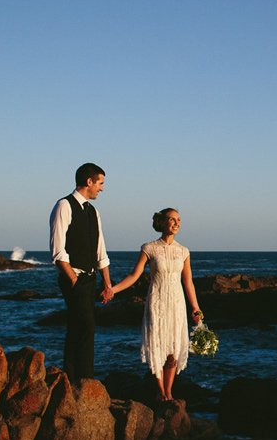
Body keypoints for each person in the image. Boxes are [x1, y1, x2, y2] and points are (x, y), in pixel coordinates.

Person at [111, 207, 202, 401]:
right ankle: (160, 392)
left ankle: (168, 392)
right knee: (158, 346)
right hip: (157, 303)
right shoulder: (149, 248)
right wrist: (113, 289)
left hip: (177, 304)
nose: (176, 223)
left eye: (179, 220)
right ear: (161, 222)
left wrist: (195, 307)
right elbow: (134, 276)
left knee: (174, 349)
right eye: (172, 219)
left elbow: (188, 282)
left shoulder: (183, 251)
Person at [49, 162, 114, 383]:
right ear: (89, 182)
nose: (102, 188)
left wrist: (107, 284)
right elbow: (58, 251)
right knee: (83, 326)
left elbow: (100, 251)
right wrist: (74, 280)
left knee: (83, 328)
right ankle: (82, 380)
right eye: (100, 183)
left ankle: (77, 380)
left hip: (91, 278)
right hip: (74, 278)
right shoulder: (64, 206)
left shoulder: (93, 211)